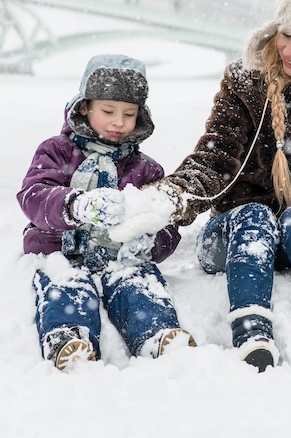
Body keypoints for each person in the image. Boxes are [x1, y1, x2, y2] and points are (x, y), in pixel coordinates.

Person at [111, 0, 291, 371]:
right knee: (255, 217)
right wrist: (170, 197)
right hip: (235, 234)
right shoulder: (245, 81)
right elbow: (215, 157)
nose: (288, 50)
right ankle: (252, 332)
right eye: (286, 34)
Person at [17, 54, 196, 371]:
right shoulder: (57, 151)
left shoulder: (146, 169)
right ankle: (69, 337)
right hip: (60, 250)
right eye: (108, 111)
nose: (118, 122)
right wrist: (75, 204)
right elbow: (34, 195)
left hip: (119, 257)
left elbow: (165, 224)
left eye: (129, 114)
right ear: (85, 106)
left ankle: (156, 334)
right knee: (66, 284)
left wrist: (151, 242)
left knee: (138, 283)